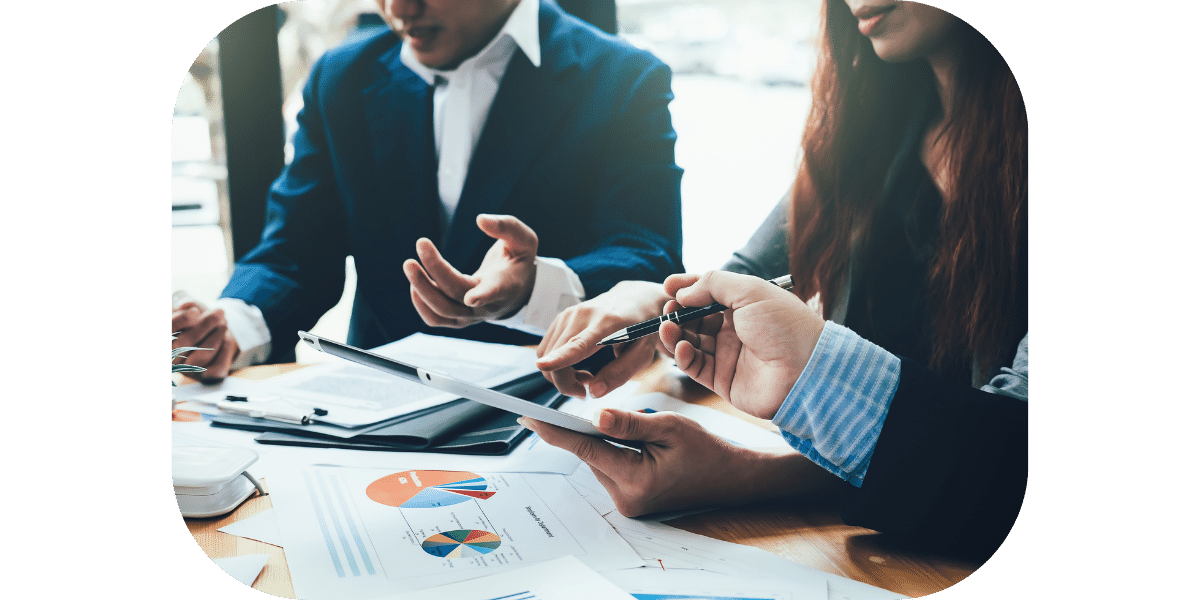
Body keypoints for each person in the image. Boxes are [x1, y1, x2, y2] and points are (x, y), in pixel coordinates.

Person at [525, 0, 1028, 560]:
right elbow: (737, 283)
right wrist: (647, 306)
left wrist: (753, 467)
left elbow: (1015, 460)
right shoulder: (866, 136)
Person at [171, 0, 683, 378]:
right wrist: (229, 325)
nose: (397, 9)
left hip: (561, 402)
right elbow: (293, 253)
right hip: (376, 408)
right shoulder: (341, 78)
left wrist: (535, 288)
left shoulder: (625, 79)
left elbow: (648, 255)